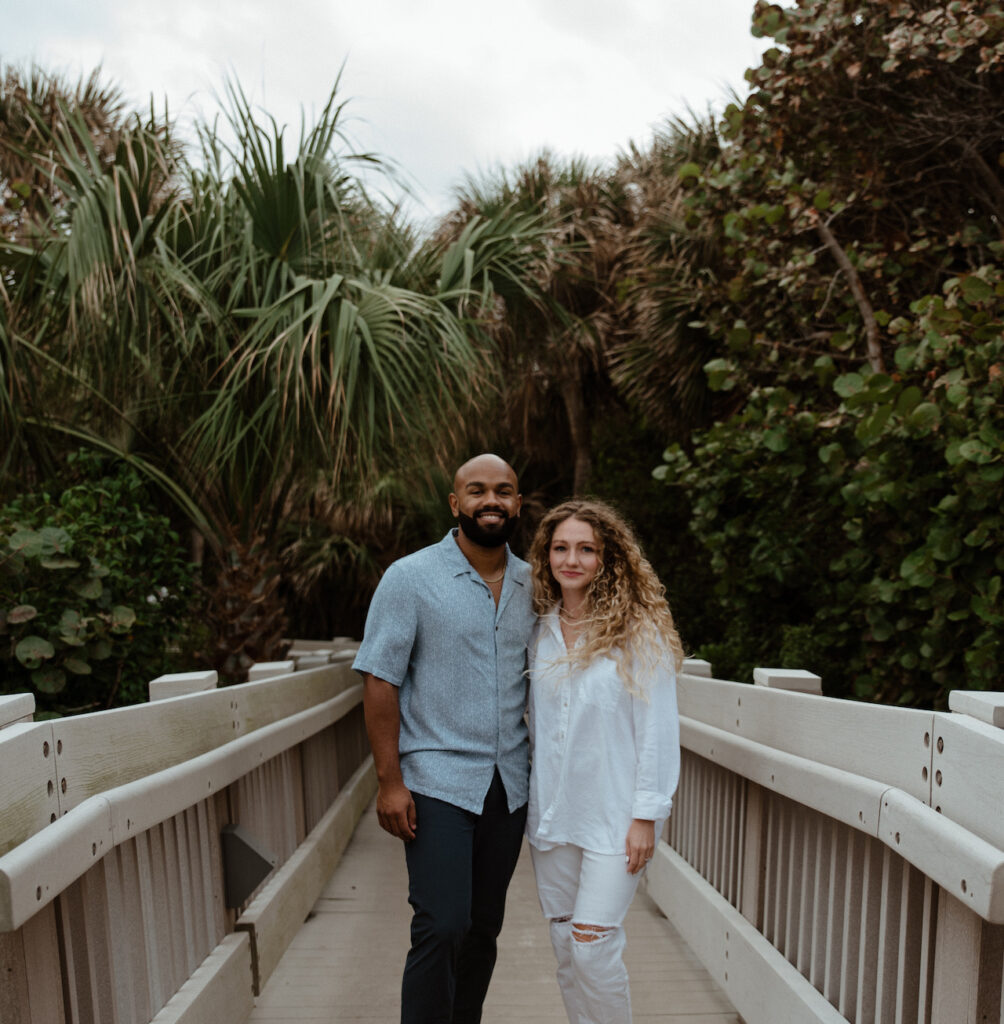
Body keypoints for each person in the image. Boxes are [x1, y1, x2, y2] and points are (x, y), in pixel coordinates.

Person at [352, 453, 535, 1024]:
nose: (491, 501)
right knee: (442, 923)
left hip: (509, 784)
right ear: (455, 504)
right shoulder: (410, 577)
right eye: (476, 491)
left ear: (518, 505)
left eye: (503, 491)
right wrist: (389, 782)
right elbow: (380, 679)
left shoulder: (537, 583)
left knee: (482, 930)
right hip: (436, 781)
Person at [525, 499, 682, 1024]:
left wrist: (646, 815)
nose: (571, 559)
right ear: (546, 556)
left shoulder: (639, 632)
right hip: (553, 816)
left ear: (607, 557)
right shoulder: (537, 630)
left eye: (586, 549)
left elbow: (658, 729)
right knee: (567, 949)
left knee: (592, 945)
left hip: (615, 820)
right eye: (561, 548)